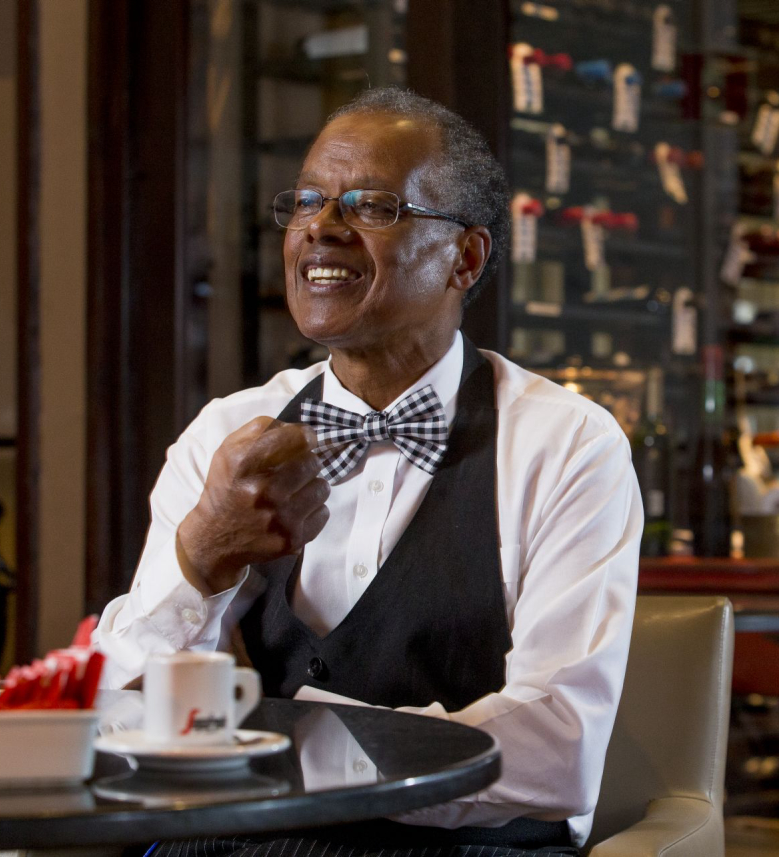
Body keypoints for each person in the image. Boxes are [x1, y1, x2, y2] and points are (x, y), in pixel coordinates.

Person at [95, 87, 643, 856]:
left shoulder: (566, 444)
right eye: (308, 202)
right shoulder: (226, 433)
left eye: (372, 206)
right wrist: (201, 559)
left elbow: (558, 750)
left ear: (465, 256)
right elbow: (123, 712)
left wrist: (298, 759)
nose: (320, 227)